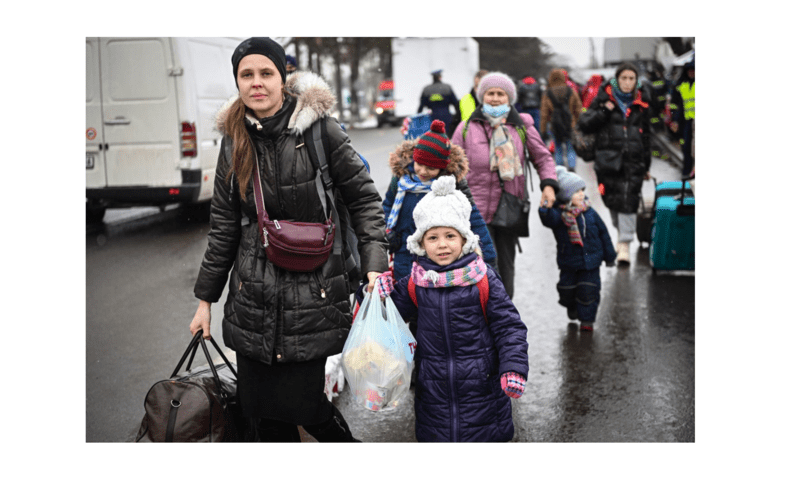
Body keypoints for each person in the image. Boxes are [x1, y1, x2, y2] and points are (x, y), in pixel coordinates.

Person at [190, 37, 388, 442]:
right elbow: (224, 227)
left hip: (312, 296)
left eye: (266, 73)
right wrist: (204, 301)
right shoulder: (234, 139)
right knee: (263, 416)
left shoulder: (320, 131)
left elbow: (364, 200)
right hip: (252, 299)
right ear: (237, 81)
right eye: (247, 74)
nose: (256, 82)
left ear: (283, 79)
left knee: (306, 408)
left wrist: (374, 265)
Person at [372, 175, 529, 442]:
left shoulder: (483, 279)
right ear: (421, 243)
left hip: (483, 392)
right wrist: (380, 295)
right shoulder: (416, 282)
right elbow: (390, 317)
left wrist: (513, 367)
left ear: (464, 239)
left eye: (450, 236)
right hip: (433, 394)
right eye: (432, 237)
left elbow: (509, 327)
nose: (442, 244)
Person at [453, 71, 559, 299]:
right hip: (474, 209)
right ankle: (481, 311)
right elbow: (451, 165)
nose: (495, 98)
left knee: (505, 266)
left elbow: (543, 158)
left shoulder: (521, 126)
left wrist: (549, 185)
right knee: (479, 266)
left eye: (500, 94)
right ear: (482, 96)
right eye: (490, 93)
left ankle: (504, 310)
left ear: (509, 98)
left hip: (509, 207)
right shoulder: (466, 128)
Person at [383, 119, 497, 281]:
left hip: (438, 260)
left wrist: (489, 258)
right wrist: (387, 233)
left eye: (431, 168)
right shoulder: (401, 181)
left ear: (442, 168)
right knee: (404, 292)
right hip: (404, 253)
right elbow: (387, 206)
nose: (423, 171)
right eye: (419, 164)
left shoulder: (452, 186)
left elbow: (473, 218)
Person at [578, 62, 652, 264]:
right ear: (616, 80)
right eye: (624, 78)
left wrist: (646, 165)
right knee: (612, 199)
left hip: (634, 160)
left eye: (631, 79)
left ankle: (624, 243)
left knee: (629, 199)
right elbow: (584, 123)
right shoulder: (603, 99)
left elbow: (647, 136)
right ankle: (621, 234)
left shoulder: (642, 102)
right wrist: (604, 111)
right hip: (608, 160)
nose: (627, 83)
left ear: (636, 81)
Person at [538, 166, 616, 332]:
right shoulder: (559, 215)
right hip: (569, 262)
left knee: (589, 291)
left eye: (582, 190)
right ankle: (571, 305)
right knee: (566, 290)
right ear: (565, 197)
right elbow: (547, 218)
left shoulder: (590, 212)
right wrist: (545, 206)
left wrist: (610, 256)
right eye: (576, 192)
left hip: (591, 262)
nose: (581, 194)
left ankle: (587, 321)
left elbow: (603, 233)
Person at [541, 69, 583, 171]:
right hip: (570, 124)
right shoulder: (570, 91)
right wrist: (578, 123)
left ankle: (560, 169)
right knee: (571, 147)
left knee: (558, 148)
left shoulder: (547, 93)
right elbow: (578, 109)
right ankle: (572, 168)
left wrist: (543, 130)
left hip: (555, 125)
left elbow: (544, 114)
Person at [669, 57, 695, 177]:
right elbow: (675, 104)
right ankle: (687, 171)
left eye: (694, 70)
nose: (692, 73)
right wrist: (674, 120)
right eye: (690, 71)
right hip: (685, 122)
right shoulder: (680, 84)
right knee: (686, 146)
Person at [418, 69, 461, 137]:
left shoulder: (426, 89)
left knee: (435, 136)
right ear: (440, 77)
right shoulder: (447, 88)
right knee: (447, 136)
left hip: (433, 117)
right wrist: (458, 117)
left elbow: (421, 106)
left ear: (433, 78)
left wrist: (418, 120)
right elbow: (456, 103)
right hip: (446, 116)